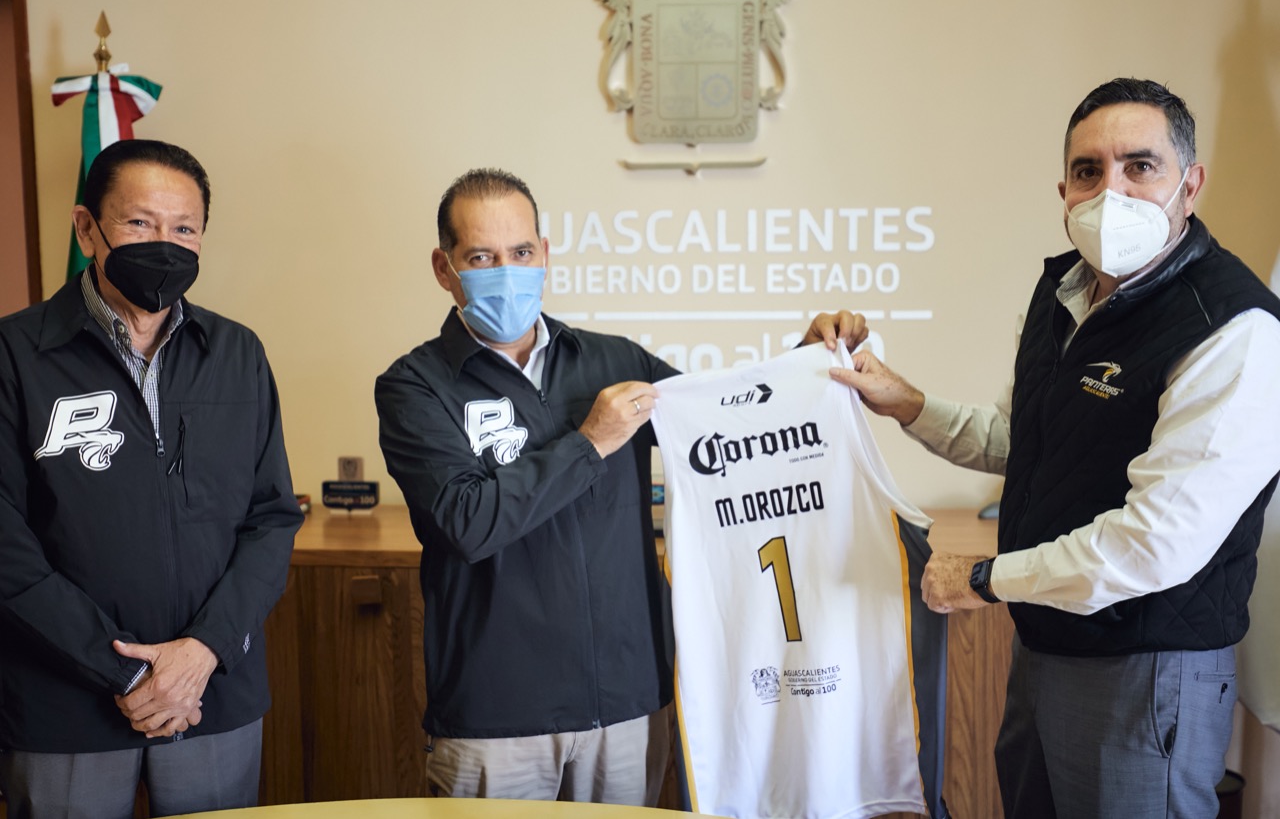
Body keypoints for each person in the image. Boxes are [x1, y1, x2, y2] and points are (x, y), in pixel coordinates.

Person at [831, 78, 1280, 819]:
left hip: (1143, 669)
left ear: (1190, 184)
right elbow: (1025, 441)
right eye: (1088, 171)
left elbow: (1154, 544)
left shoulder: (1233, 329)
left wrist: (985, 579)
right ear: (1064, 191)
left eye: (1140, 166)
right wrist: (905, 401)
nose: (1112, 192)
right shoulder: (1063, 292)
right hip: (1043, 643)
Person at [375, 167, 861, 805]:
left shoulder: (613, 360)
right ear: (445, 268)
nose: (508, 272)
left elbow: (729, 426)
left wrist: (809, 360)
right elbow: (466, 521)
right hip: (497, 715)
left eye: (521, 252)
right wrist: (590, 442)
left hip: (628, 703)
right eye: (482, 258)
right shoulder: (414, 386)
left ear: (545, 255)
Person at [0, 139, 304, 818]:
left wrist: (202, 651)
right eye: (139, 223)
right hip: (61, 708)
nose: (164, 244)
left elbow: (272, 518)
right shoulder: (14, 355)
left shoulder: (238, 353)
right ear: (87, 228)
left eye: (184, 229)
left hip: (211, 697)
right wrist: (128, 671)